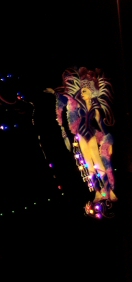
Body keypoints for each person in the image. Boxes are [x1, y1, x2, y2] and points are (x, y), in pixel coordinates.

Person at [49, 67, 117, 208]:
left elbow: (102, 125)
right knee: (89, 166)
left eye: (84, 91)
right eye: (82, 90)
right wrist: (55, 93)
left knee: (98, 162)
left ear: (91, 93)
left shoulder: (96, 108)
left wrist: (109, 141)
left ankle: (108, 191)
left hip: (91, 135)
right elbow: (66, 98)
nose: (82, 92)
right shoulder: (78, 105)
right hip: (81, 136)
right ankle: (98, 193)